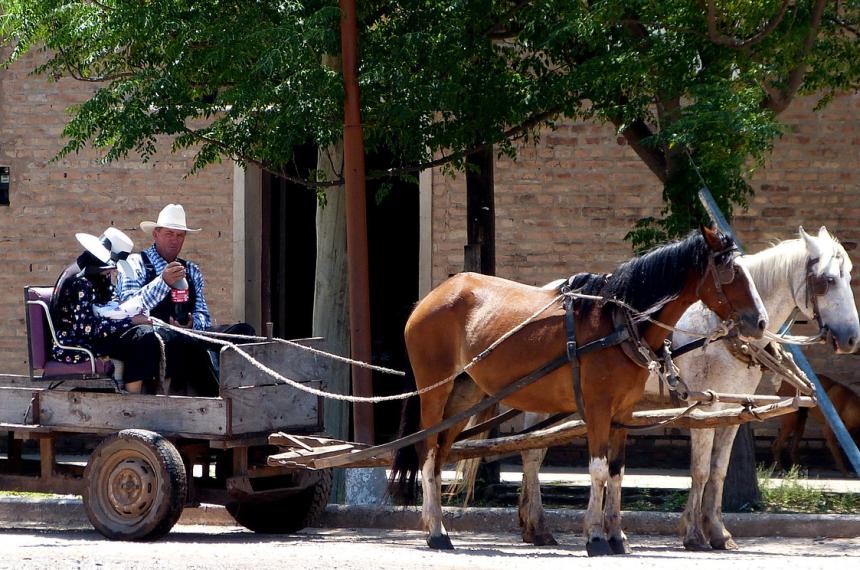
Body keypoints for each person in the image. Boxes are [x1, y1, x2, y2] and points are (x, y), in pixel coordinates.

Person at [116, 204, 254, 396]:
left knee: (244, 331)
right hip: (156, 338)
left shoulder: (192, 271)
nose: (174, 240)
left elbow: (204, 316)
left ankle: (242, 393)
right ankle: (214, 397)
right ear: (156, 234)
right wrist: (163, 282)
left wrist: (191, 324)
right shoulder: (136, 263)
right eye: (169, 234)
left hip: (188, 335)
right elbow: (128, 309)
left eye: (179, 235)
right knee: (165, 340)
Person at [50, 229, 162, 394]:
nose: (111, 272)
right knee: (142, 340)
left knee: (146, 334)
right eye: (109, 268)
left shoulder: (101, 281)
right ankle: (134, 398)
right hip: (77, 344)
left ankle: (142, 389)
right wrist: (129, 321)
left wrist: (130, 314)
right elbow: (87, 328)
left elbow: (113, 305)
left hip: (97, 338)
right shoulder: (81, 285)